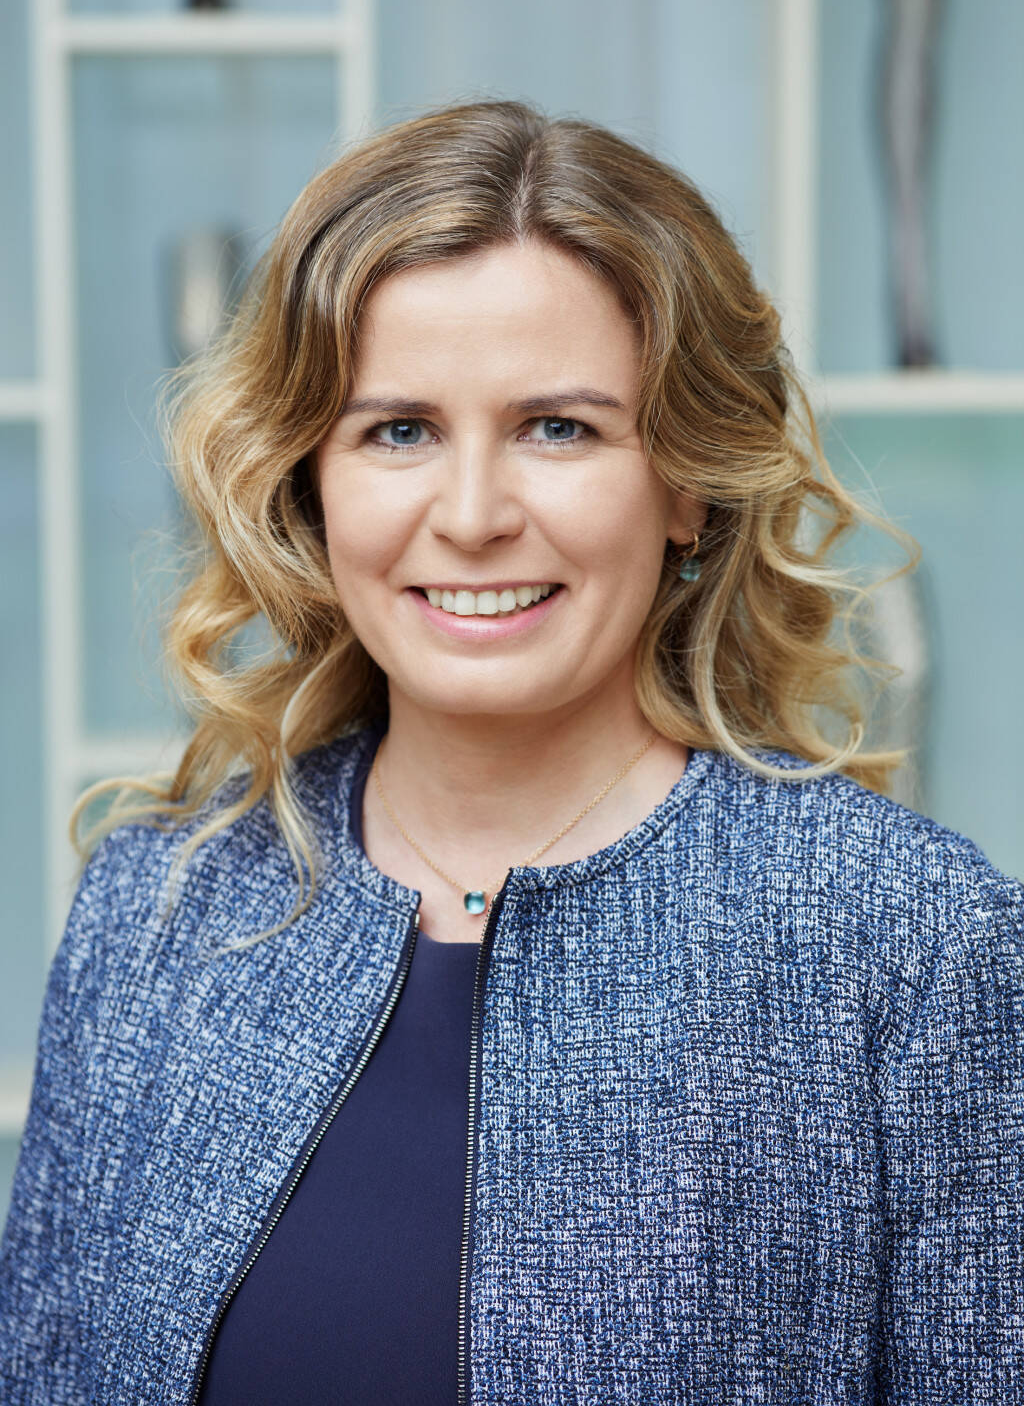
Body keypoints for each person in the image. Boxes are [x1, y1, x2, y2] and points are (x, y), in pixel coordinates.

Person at [1, 98, 1021, 1405]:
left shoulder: (911, 943)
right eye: (399, 430)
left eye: (559, 428)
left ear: (688, 485)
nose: (474, 515)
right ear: (311, 481)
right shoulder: (157, 909)